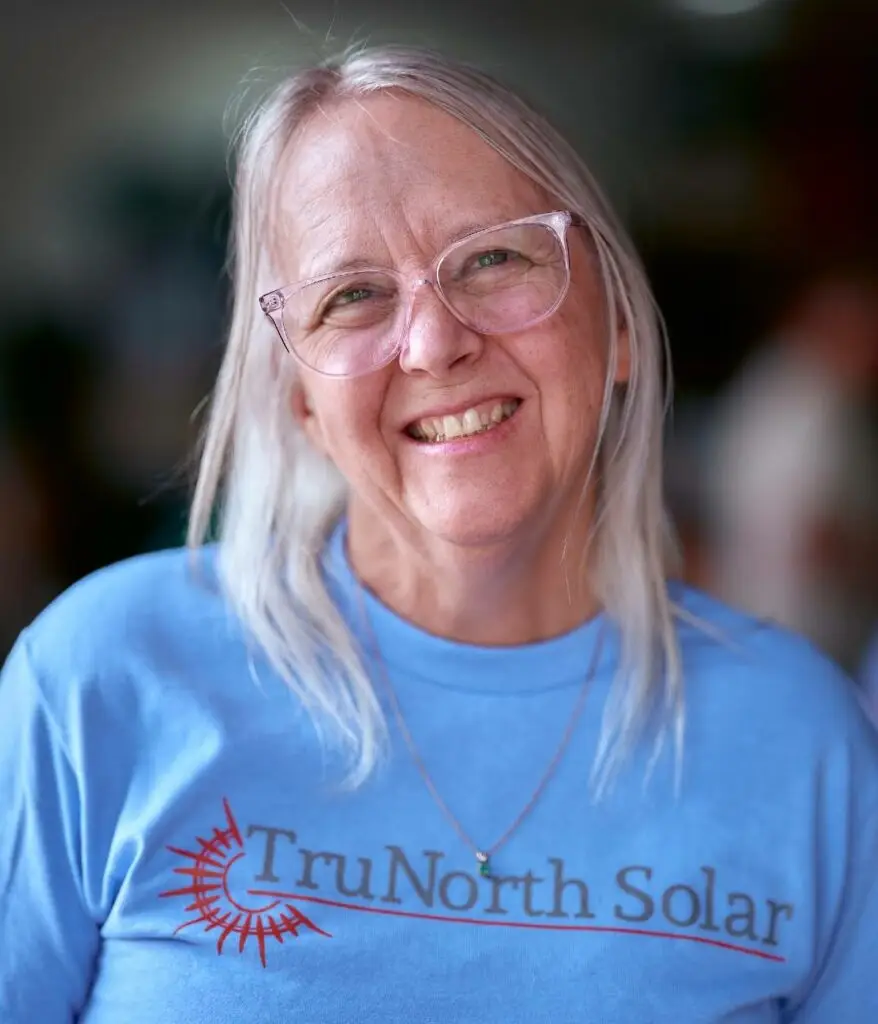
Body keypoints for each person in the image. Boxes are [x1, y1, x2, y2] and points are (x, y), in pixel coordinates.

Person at [1, 45, 876, 1024]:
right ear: (298, 397)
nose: (433, 342)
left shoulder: (800, 738)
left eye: (494, 256)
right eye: (353, 296)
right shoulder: (102, 678)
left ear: (620, 322)